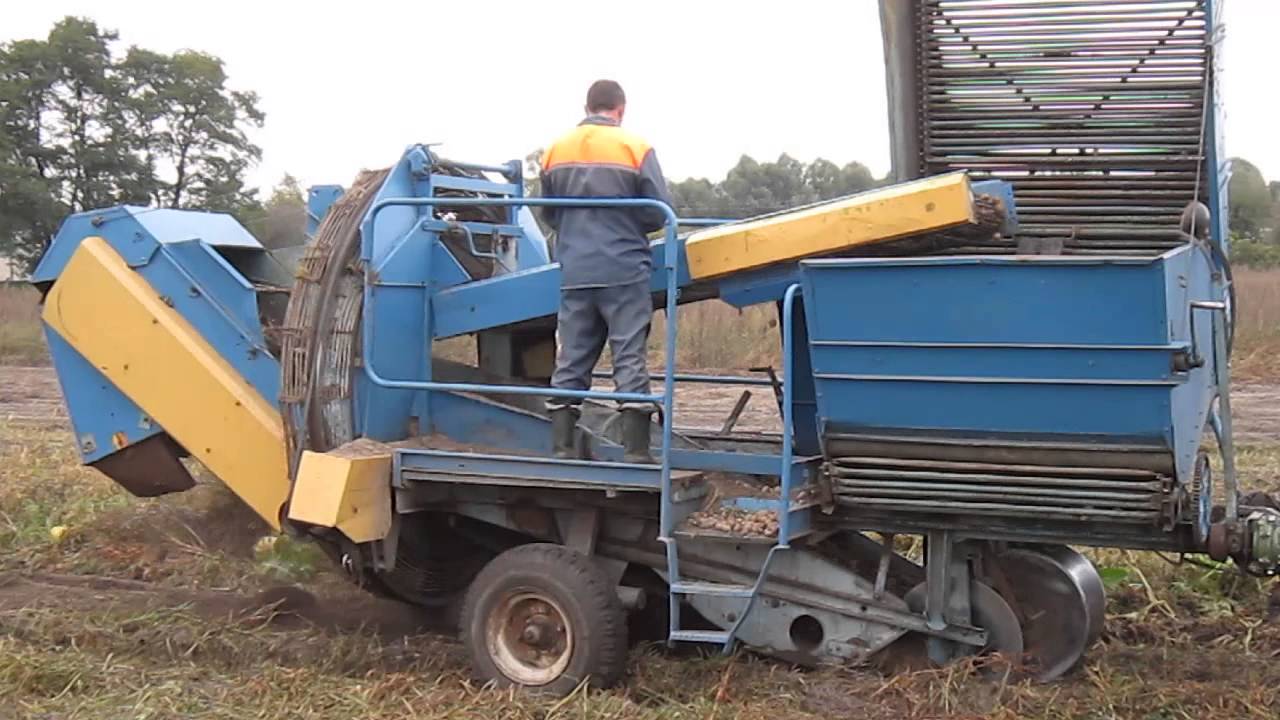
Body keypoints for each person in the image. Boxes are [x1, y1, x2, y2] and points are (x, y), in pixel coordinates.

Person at [539, 79, 674, 463]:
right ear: (621, 108)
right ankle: (635, 452)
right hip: (624, 267)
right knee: (628, 354)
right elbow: (658, 209)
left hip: (576, 269)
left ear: (587, 106)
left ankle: (562, 448)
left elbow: (549, 212)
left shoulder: (554, 150)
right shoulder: (635, 147)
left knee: (572, 357)